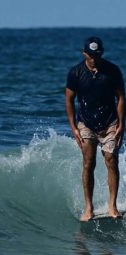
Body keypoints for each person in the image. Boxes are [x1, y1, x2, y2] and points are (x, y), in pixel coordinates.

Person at [65, 37, 125, 221]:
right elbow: (69, 100)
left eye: (97, 55)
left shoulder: (112, 71)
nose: (94, 59)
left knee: (111, 160)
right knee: (88, 163)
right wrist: (74, 127)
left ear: (102, 53)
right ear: (84, 54)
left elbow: (121, 98)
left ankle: (112, 206)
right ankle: (89, 208)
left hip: (110, 123)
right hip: (86, 124)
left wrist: (122, 124)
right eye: (91, 55)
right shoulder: (76, 73)